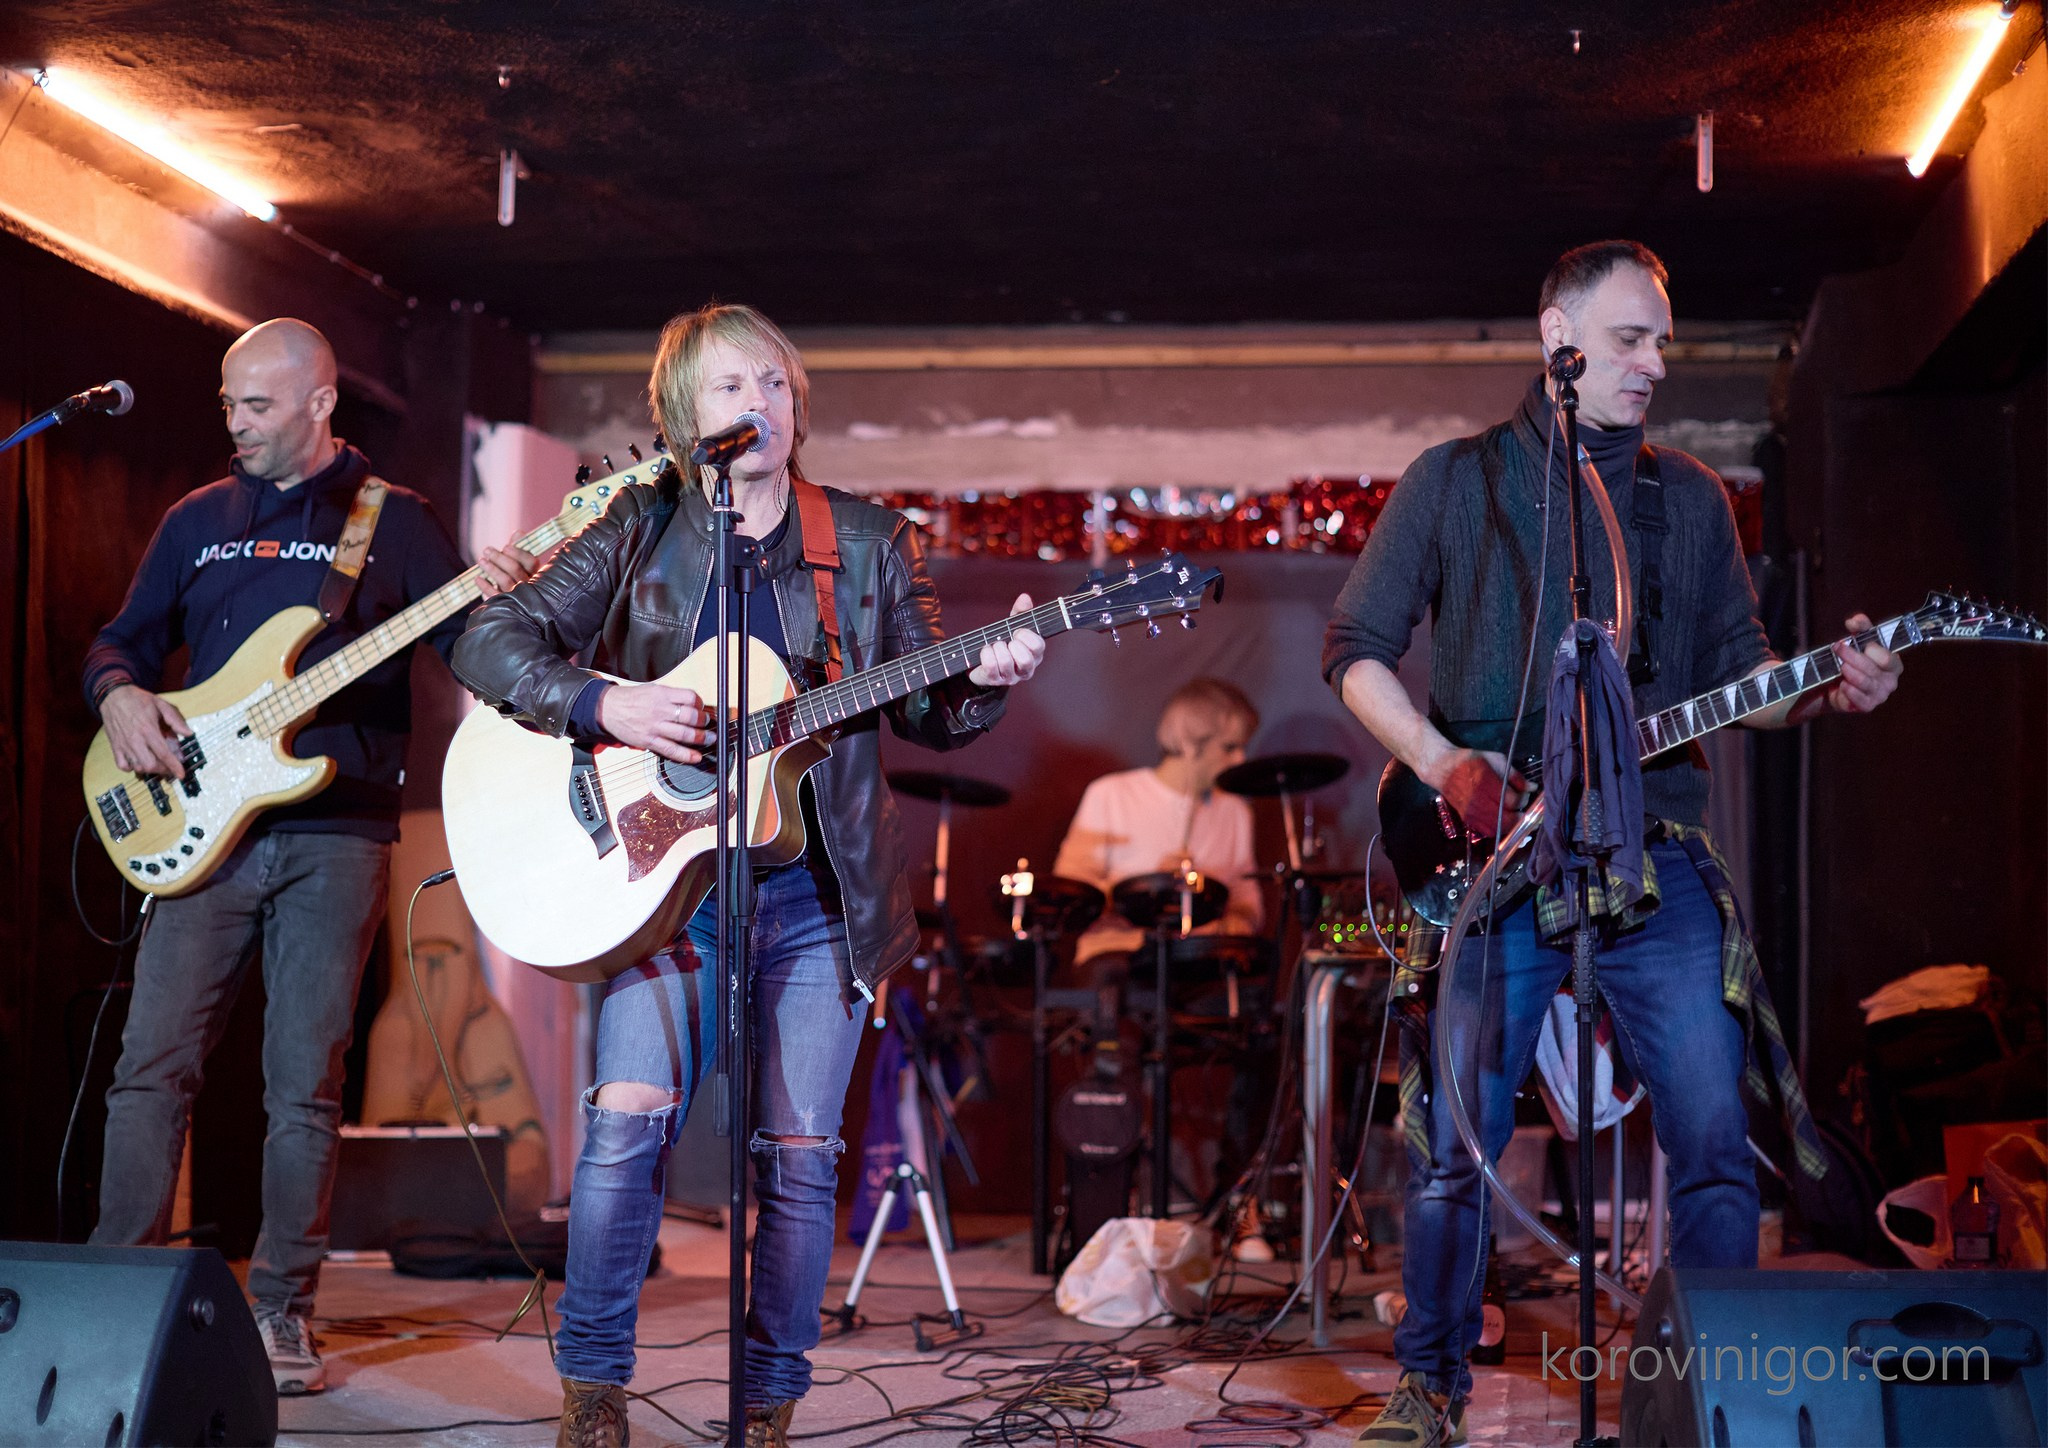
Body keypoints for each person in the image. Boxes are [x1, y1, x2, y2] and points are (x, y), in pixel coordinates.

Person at [1323, 241, 1902, 1447]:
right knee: (1456, 1142)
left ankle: (1695, 1397)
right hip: (1498, 852)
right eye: (1630, 339)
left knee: (1710, 1137)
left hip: (1652, 848)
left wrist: (1830, 691)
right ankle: (1427, 1387)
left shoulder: (1686, 496)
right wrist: (1444, 765)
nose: (1653, 363)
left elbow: (1741, 680)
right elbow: (1356, 651)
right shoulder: (1453, 480)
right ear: (1557, 338)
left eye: (1660, 342)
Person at [449, 302, 1044, 1448]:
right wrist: (605, 699)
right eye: (728, 389)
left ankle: (767, 1402)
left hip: (820, 896)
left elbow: (926, 705)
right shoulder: (640, 521)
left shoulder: (865, 540)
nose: (757, 405)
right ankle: (594, 1389)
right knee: (627, 1124)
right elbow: (489, 640)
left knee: (801, 1153)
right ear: (682, 417)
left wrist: (992, 676)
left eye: (772, 384)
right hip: (670, 883)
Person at [83, 318, 536, 1395]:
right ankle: (110, 1287)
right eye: (228, 401)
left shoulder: (397, 523)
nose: (232, 422)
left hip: (336, 832)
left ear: (319, 403)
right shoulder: (198, 519)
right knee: (151, 1067)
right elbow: (120, 639)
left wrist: (508, 595)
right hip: (201, 827)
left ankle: (280, 1306)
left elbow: (467, 648)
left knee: (303, 1083)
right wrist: (121, 693)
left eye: (255, 405)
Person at [1052, 678, 1270, 1250]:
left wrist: (1210, 910)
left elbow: (1251, 911)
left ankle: (1235, 1206)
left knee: (1268, 1029)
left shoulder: (1234, 812)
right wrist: (1142, 887)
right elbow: (1071, 891)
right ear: (1191, 742)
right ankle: (1107, 1200)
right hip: (1119, 961)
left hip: (1193, 968)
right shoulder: (1112, 794)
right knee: (1111, 1019)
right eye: (1229, 747)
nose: (1240, 760)